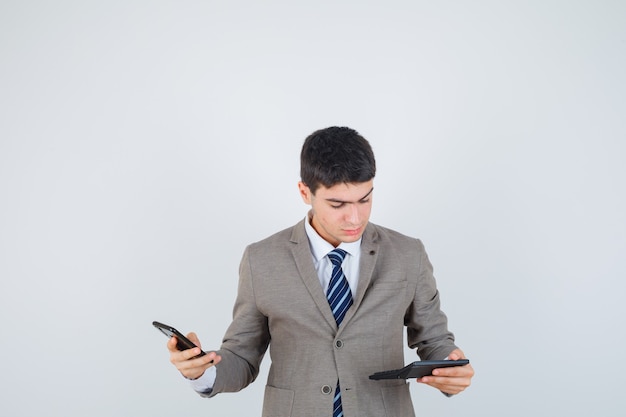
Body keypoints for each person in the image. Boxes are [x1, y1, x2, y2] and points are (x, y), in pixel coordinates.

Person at [167, 126, 474, 416]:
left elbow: (434, 339)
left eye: (364, 199)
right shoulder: (260, 259)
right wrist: (205, 370)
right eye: (337, 204)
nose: (355, 217)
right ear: (305, 192)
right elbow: (242, 358)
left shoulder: (408, 254)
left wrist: (451, 365)